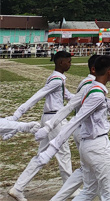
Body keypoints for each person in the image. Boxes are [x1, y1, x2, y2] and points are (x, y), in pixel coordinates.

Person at [33, 55, 110, 201]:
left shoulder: (90, 88)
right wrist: (52, 147)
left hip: (87, 145)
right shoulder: (96, 94)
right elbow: (76, 119)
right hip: (98, 147)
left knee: (89, 191)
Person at [8, 51, 73, 201]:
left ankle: (18, 188)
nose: (70, 64)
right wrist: (18, 114)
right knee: (63, 153)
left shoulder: (57, 79)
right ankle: (69, 188)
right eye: (68, 61)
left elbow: (69, 96)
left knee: (42, 155)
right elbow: (36, 96)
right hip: (54, 119)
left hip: (49, 118)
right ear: (60, 62)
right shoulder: (56, 80)